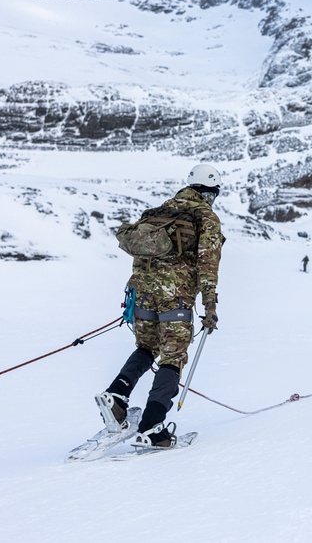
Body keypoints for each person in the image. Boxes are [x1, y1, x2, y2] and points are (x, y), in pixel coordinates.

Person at [97, 164, 225, 448]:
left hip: (140, 292)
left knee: (147, 348)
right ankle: (153, 427)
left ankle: (116, 396)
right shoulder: (206, 218)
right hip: (175, 297)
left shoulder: (158, 212)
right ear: (211, 192)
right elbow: (208, 265)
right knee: (173, 356)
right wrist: (210, 305)